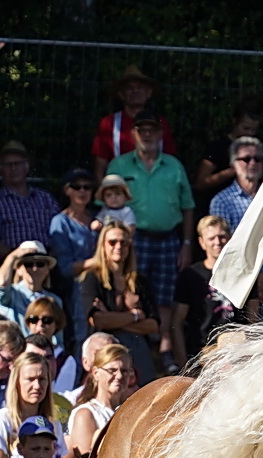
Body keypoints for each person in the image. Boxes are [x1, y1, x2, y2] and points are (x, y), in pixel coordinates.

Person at [105, 108, 195, 367]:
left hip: (169, 239)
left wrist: (187, 244)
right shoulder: (119, 165)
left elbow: (188, 206)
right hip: (132, 240)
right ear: (133, 134)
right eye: (141, 130)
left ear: (160, 133)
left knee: (166, 295)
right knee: (133, 290)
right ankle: (134, 348)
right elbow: (105, 206)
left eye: (152, 130)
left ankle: (164, 348)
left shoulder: (173, 165)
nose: (147, 134)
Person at [78, 220, 160, 384]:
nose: (118, 246)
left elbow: (153, 325)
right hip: (105, 355)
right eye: (112, 242)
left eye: (124, 242)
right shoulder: (92, 278)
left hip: (139, 355)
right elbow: (98, 320)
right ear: (103, 245)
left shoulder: (140, 281)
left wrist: (112, 319)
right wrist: (135, 315)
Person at [172, 215, 254, 369]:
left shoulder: (245, 273)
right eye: (211, 238)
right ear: (202, 243)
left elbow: (252, 320)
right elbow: (177, 321)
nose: (218, 242)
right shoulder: (190, 276)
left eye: (222, 237)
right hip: (204, 352)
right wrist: (184, 365)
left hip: (238, 350)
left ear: (229, 238)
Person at [0, 351, 68, 458]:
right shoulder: (0, 422)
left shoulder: (54, 426)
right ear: (16, 382)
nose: (37, 386)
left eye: (42, 379)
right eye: (30, 379)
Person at [90, 64, 176, 176]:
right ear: (121, 94)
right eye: (129, 88)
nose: (135, 90)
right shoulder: (109, 123)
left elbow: (170, 161)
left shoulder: (160, 123)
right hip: (120, 188)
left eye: (140, 87)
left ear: (148, 93)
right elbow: (100, 164)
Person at [0, 142, 60, 262]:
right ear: (1, 170)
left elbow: (58, 233)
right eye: (8, 165)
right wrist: (16, 260)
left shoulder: (46, 198)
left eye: (17, 164)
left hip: (46, 260)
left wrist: (50, 259)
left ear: (27, 167)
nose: (13, 168)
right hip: (12, 261)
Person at [66, 343, 133, 458]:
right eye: (112, 370)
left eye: (124, 371)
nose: (119, 376)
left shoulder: (129, 412)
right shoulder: (86, 414)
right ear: (96, 373)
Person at [47, 169, 98, 327]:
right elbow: (65, 268)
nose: (82, 191)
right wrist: (98, 261)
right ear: (67, 190)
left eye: (87, 187)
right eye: (76, 186)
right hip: (76, 288)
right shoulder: (60, 222)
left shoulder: (100, 218)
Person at [192, 98, 263, 205]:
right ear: (234, 122)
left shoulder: (257, 146)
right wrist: (232, 171)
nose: (250, 134)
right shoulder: (217, 147)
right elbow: (201, 183)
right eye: (246, 128)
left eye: (253, 130)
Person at [0, 241, 62, 333]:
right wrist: (13, 256)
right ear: (18, 270)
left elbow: (58, 337)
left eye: (40, 264)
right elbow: (1, 283)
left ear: (47, 270)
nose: (34, 268)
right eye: (28, 264)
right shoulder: (11, 294)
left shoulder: (55, 300)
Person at [207, 136, 263, 233]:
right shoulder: (222, 201)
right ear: (233, 165)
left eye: (257, 158)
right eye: (246, 159)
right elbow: (222, 242)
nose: (252, 163)